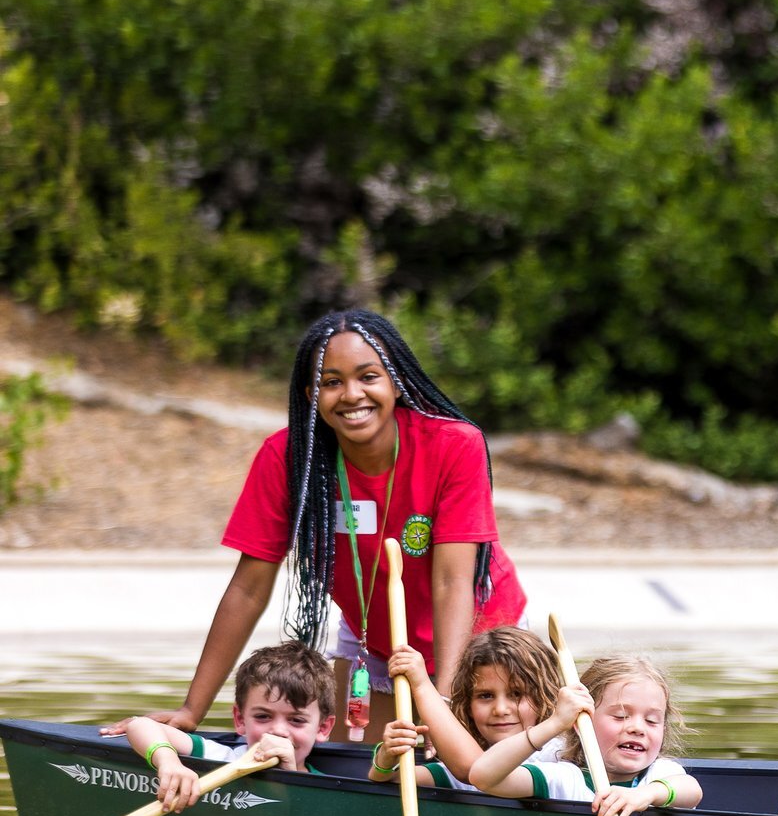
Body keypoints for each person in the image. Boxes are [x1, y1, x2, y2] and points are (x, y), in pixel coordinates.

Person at [109, 309, 525, 744]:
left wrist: (444, 702)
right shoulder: (289, 460)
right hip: (374, 642)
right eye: (332, 382)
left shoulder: (454, 444)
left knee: (473, 772)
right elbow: (248, 589)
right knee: (356, 773)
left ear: (396, 381)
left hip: (482, 640)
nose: (352, 395)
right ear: (311, 394)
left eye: (368, 376)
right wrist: (192, 710)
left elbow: (451, 581)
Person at [469, 654, 703, 816]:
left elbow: (692, 790)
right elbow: (483, 776)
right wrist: (554, 724)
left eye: (652, 721)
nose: (637, 728)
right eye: (621, 716)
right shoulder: (564, 778)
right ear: (582, 723)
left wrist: (647, 795)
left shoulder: (659, 775)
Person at [117, 643, 334, 812]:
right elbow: (140, 725)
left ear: (323, 728)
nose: (278, 730)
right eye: (262, 716)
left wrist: (287, 778)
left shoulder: (329, 790)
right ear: (240, 720)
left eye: (296, 720)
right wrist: (168, 762)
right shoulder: (224, 757)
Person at [365, 626, 565, 790]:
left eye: (516, 694)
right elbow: (390, 780)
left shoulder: (558, 755)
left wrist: (422, 685)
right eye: (485, 696)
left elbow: (477, 770)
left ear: (543, 697)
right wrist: (386, 756)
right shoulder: (469, 757)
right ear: (468, 705)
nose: (501, 709)